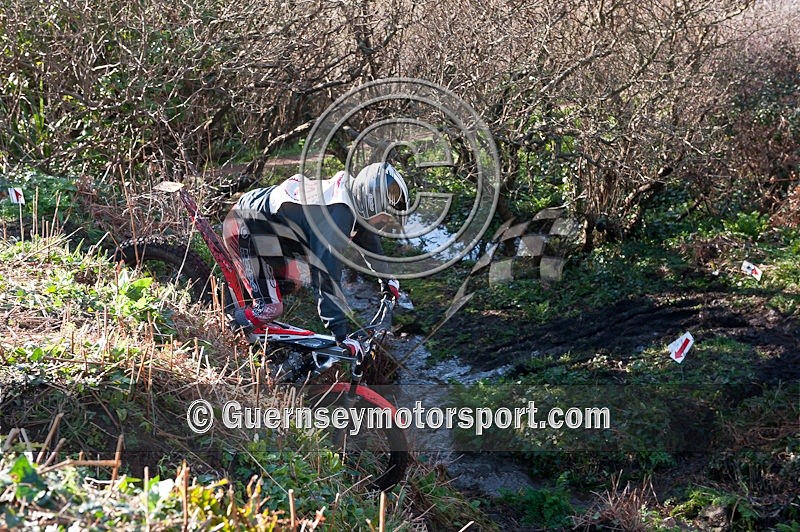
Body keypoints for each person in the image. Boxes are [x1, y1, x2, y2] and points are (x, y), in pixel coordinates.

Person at [223, 162, 408, 356]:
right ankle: (227, 330)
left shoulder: (351, 198)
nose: (384, 222)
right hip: (244, 224)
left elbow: (367, 240)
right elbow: (326, 277)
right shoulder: (336, 219)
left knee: (300, 277)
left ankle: (251, 299)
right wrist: (340, 334)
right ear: (371, 204)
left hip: (269, 231)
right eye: (384, 216)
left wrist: (387, 279)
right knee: (270, 308)